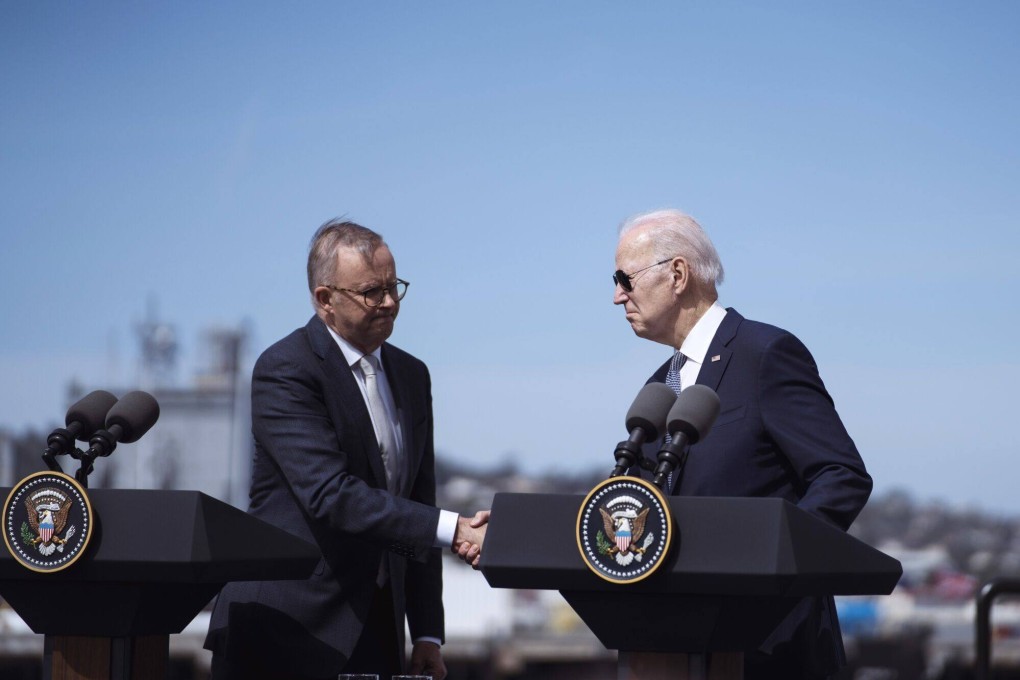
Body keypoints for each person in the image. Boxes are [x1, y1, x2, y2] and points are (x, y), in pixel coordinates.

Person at [205, 219, 485, 680]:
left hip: (375, 631)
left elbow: (415, 505)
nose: (390, 302)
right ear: (325, 299)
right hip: (284, 633)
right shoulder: (285, 369)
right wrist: (456, 530)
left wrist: (428, 634)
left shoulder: (412, 376)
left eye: (394, 287)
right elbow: (330, 495)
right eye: (372, 292)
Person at [610, 208, 872, 679]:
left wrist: (774, 569)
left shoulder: (764, 354)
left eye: (624, 279)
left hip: (773, 646)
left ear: (677, 274)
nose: (616, 296)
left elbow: (841, 477)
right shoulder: (657, 390)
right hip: (676, 641)